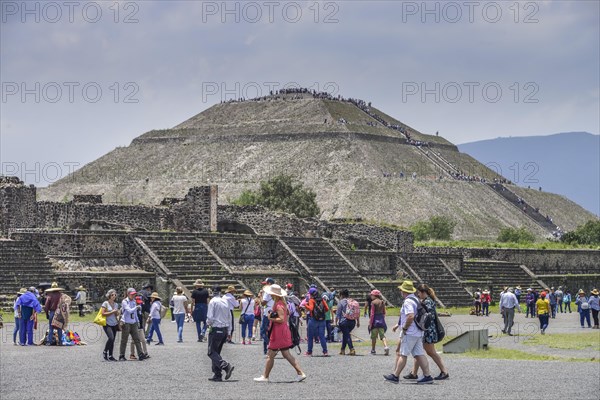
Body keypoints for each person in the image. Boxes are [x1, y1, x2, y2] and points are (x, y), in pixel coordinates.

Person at [384, 280, 433, 384]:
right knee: (419, 354)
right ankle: (427, 376)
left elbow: (410, 316)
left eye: (401, 290)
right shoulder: (416, 299)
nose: (400, 292)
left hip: (410, 332)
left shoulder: (408, 301)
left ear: (404, 291)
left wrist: (405, 328)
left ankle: (395, 375)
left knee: (403, 354)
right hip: (419, 331)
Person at [254, 284, 306, 383]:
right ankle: (300, 373)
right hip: (281, 331)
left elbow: (281, 319)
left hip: (278, 332)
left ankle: (265, 376)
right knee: (286, 354)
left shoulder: (278, 304)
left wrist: (270, 318)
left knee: (270, 354)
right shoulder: (281, 303)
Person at [405, 284, 449, 380]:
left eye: (419, 293)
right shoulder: (427, 300)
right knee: (418, 351)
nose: (418, 295)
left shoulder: (427, 302)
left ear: (423, 292)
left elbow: (424, 315)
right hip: (427, 330)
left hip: (428, 330)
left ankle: (444, 371)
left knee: (431, 352)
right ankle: (414, 373)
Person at [206, 286, 234, 382]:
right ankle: (217, 374)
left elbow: (210, 317)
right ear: (220, 292)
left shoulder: (212, 302)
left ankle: (225, 366)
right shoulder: (225, 301)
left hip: (216, 327)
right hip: (224, 329)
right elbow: (229, 317)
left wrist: (208, 324)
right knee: (216, 352)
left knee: (211, 352)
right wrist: (229, 331)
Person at [119, 288, 147, 361]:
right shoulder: (124, 301)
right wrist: (136, 307)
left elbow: (135, 314)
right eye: (132, 294)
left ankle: (140, 354)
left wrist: (137, 321)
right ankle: (121, 355)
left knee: (137, 339)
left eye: (134, 294)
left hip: (133, 322)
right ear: (128, 294)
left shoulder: (134, 301)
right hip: (126, 322)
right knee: (124, 340)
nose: (133, 295)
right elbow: (129, 310)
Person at [304, 287, 329, 356]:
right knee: (322, 336)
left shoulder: (311, 300)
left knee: (310, 336)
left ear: (311, 294)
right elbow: (327, 309)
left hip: (313, 320)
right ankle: (325, 351)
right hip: (322, 320)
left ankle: (309, 351)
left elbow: (311, 309)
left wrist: (305, 305)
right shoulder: (322, 300)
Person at [335, 289, 360, 355]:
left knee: (347, 335)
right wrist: (358, 321)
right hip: (352, 322)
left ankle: (352, 349)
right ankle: (342, 350)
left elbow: (338, 313)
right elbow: (357, 312)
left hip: (344, 321)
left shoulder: (341, 302)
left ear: (342, 295)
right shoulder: (352, 301)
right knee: (346, 335)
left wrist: (336, 322)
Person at [369, 289, 390, 355]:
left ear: (374, 295)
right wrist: (382, 319)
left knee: (373, 337)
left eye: (371, 295)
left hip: (375, 321)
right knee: (382, 336)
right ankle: (386, 346)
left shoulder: (373, 302)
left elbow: (372, 314)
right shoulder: (382, 302)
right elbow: (384, 312)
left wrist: (370, 323)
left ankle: (373, 350)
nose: (371, 296)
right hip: (381, 320)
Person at [101, 289, 120, 360]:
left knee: (113, 340)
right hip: (107, 324)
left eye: (115, 295)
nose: (114, 296)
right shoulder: (105, 303)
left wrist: (117, 313)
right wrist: (112, 312)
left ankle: (110, 355)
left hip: (114, 323)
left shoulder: (116, 304)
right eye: (112, 295)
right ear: (109, 295)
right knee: (111, 338)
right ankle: (105, 351)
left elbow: (116, 314)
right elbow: (103, 313)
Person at [261, 278, 275, 355]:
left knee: (263, 331)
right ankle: (266, 350)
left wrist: (260, 297)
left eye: (266, 283)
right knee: (271, 331)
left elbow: (263, 303)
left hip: (268, 312)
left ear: (269, 283)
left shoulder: (267, 291)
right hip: (274, 311)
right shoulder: (276, 290)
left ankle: (270, 345)